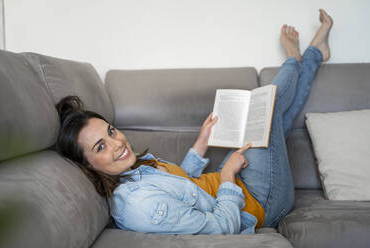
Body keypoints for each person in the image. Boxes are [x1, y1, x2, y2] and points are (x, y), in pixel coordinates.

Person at [56, 9, 333, 234]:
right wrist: (227, 177)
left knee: (271, 118)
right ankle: (297, 58)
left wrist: (201, 143)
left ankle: (317, 53)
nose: (117, 143)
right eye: (100, 147)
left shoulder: (134, 171)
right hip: (259, 205)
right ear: (87, 166)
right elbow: (223, 227)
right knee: (265, 107)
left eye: (112, 131)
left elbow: (184, 183)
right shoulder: (140, 206)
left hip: (235, 186)